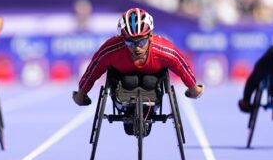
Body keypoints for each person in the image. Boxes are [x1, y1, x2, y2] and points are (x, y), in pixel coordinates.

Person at [73, 8, 204, 112]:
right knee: (129, 81)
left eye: (141, 42)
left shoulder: (164, 50)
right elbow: (93, 69)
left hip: (153, 78)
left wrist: (192, 88)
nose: (136, 48)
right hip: (122, 80)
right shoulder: (110, 50)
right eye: (130, 43)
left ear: (150, 36)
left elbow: (182, 66)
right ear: (122, 39)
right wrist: (82, 93)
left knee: (149, 81)